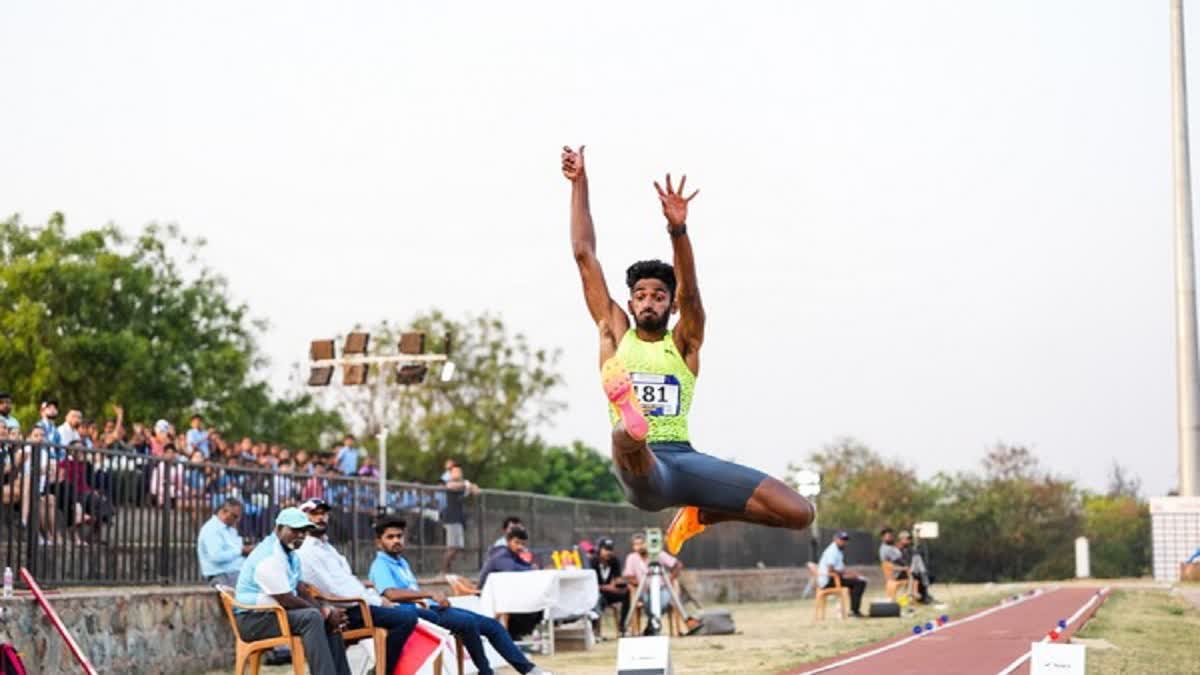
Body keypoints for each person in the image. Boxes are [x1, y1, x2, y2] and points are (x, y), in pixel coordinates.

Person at [561, 145, 815, 555]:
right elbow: (583, 253)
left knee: (800, 512)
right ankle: (631, 418)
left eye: (659, 296)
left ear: (671, 304)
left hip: (684, 460)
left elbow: (692, 292)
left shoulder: (684, 342)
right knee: (627, 434)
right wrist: (579, 183)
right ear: (629, 304)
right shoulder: (614, 333)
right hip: (642, 468)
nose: (648, 301)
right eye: (640, 295)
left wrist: (678, 231)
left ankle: (703, 513)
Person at [368, 517, 549, 675]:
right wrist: (429, 593)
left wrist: (431, 597)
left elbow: (410, 589)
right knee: (467, 623)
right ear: (379, 542)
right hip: (413, 615)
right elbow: (390, 594)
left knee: (492, 625)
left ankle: (528, 670)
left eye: (399, 536)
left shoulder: (401, 562)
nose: (396, 541)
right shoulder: (380, 564)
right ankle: (486, 672)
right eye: (390, 537)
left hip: (429, 608)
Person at [296, 499, 417, 675]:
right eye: (314, 514)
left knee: (412, 613)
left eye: (323, 513)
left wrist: (372, 596)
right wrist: (376, 600)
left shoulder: (327, 547)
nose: (320, 518)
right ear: (303, 517)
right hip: (347, 610)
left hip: (359, 603)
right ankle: (381, 672)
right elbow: (332, 591)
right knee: (407, 618)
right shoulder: (306, 552)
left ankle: (384, 670)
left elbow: (348, 581)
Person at [234, 507, 351, 675]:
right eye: (295, 530)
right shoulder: (270, 556)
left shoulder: (290, 554)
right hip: (253, 620)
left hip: (273, 614)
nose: (301, 536)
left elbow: (300, 589)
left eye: (304, 531)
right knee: (312, 617)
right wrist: (323, 613)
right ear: (278, 528)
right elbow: (286, 599)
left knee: (329, 620)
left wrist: (327, 611)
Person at [622, 532, 700, 633]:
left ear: (647, 543)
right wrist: (640, 584)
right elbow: (628, 576)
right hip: (643, 590)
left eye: (642, 543)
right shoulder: (631, 558)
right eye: (636, 544)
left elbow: (677, 565)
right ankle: (650, 625)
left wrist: (671, 579)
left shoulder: (658, 554)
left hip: (662, 588)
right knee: (646, 600)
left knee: (662, 602)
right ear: (633, 546)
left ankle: (652, 625)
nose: (639, 547)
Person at [477, 526, 542, 639]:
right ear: (508, 541)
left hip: (504, 596)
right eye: (516, 542)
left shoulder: (512, 554)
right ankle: (513, 637)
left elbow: (525, 566)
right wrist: (531, 568)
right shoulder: (501, 554)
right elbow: (513, 569)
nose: (519, 547)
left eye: (522, 544)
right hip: (488, 597)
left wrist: (532, 567)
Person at [198, 498, 252, 587]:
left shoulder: (229, 529)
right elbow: (216, 556)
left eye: (238, 517)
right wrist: (241, 551)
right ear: (224, 512)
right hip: (223, 576)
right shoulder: (212, 529)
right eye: (235, 516)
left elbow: (237, 551)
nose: (237, 520)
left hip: (235, 573)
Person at [440, 464, 480, 574]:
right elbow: (450, 486)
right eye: (455, 471)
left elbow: (476, 491)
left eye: (459, 471)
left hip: (459, 519)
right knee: (452, 546)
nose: (458, 473)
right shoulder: (451, 483)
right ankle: (443, 571)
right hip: (451, 518)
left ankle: (447, 570)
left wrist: (471, 486)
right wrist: (466, 484)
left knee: (458, 547)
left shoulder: (463, 485)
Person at [817, 531, 867, 618]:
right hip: (829, 581)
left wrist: (853, 574)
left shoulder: (838, 551)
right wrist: (848, 576)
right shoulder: (832, 551)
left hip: (834, 578)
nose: (844, 542)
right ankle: (854, 611)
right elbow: (831, 570)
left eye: (845, 540)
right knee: (859, 583)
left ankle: (853, 611)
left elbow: (841, 569)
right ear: (835, 539)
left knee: (858, 580)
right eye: (842, 539)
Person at [590, 537, 631, 637]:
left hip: (608, 592)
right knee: (598, 598)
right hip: (595, 593)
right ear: (599, 549)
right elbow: (591, 585)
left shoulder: (614, 561)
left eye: (610, 550)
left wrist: (621, 583)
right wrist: (609, 587)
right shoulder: (593, 562)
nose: (609, 552)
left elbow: (617, 578)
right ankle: (595, 631)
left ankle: (622, 626)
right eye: (606, 549)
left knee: (627, 593)